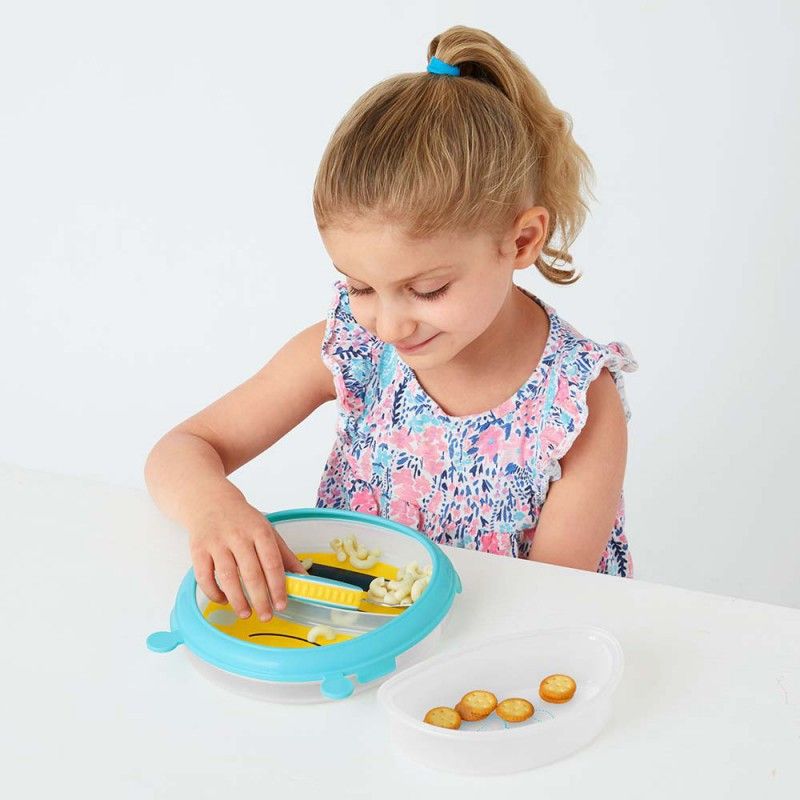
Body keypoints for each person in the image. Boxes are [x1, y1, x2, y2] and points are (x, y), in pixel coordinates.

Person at [144, 25, 638, 624]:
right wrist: (214, 508)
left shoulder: (578, 403)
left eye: (427, 290)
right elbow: (182, 449)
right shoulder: (352, 348)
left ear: (522, 240)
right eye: (359, 287)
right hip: (349, 639)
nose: (388, 325)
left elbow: (544, 609)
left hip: (490, 650)